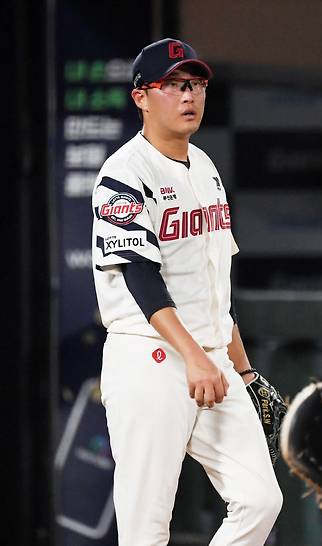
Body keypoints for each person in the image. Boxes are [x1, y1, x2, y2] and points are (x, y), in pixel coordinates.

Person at [91, 38, 282, 546]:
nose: (188, 95)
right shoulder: (123, 173)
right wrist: (197, 356)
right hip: (150, 358)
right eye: (174, 85)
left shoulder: (206, 168)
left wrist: (241, 368)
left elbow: (219, 282)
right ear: (141, 97)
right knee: (146, 526)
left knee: (261, 500)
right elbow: (140, 278)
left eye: (195, 84)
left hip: (211, 357)